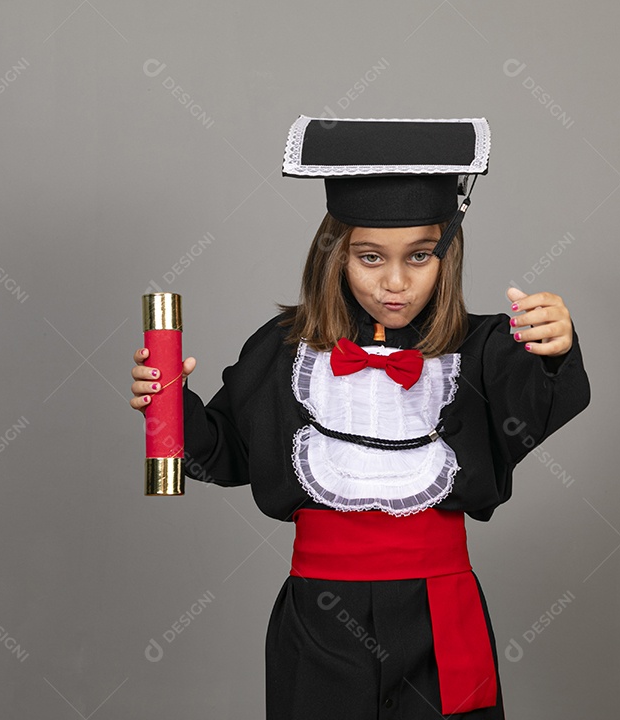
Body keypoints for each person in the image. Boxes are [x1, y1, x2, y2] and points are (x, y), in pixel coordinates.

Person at [129, 116, 591, 719]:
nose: (395, 282)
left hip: (439, 620)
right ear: (334, 255)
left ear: (447, 253)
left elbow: (538, 404)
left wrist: (554, 347)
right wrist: (169, 405)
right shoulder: (284, 350)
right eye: (370, 257)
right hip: (320, 622)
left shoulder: (481, 352)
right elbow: (225, 454)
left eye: (420, 256)